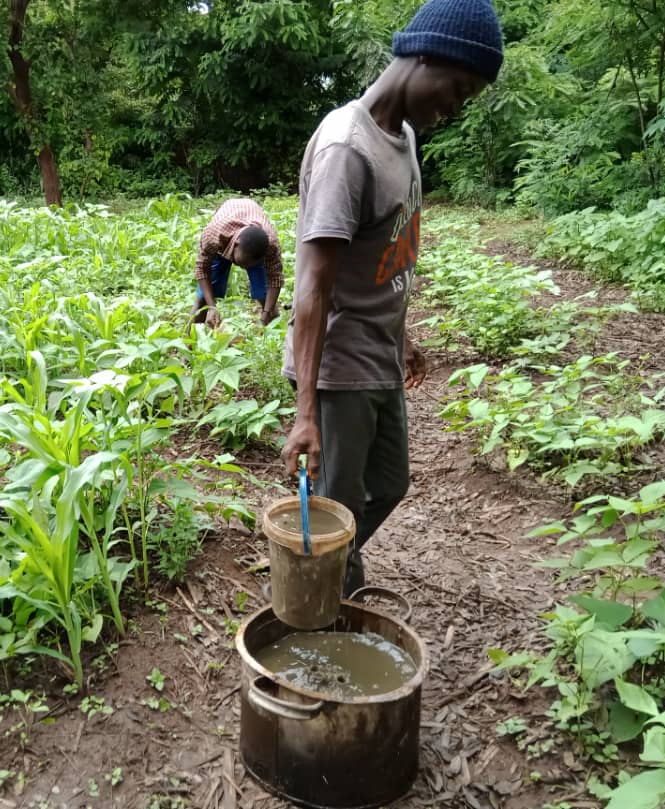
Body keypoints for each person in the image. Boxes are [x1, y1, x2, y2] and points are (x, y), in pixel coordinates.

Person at [279, 0, 504, 596]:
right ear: (424, 56)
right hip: (339, 366)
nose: (454, 107)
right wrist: (305, 415)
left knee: (390, 483)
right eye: (456, 89)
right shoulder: (345, 149)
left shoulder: (399, 136)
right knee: (340, 502)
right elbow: (313, 287)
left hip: (377, 355)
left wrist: (402, 335)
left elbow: (378, 258)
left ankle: (324, 566)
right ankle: (323, 606)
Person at [191, 198, 284, 329]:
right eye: (243, 263)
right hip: (223, 240)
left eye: (250, 265)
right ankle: (188, 343)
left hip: (253, 244)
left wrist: (267, 312)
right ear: (236, 245)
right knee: (203, 299)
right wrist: (212, 307)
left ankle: (275, 340)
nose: (245, 269)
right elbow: (201, 269)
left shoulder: (270, 244)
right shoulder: (214, 236)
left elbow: (275, 279)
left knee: (265, 296)